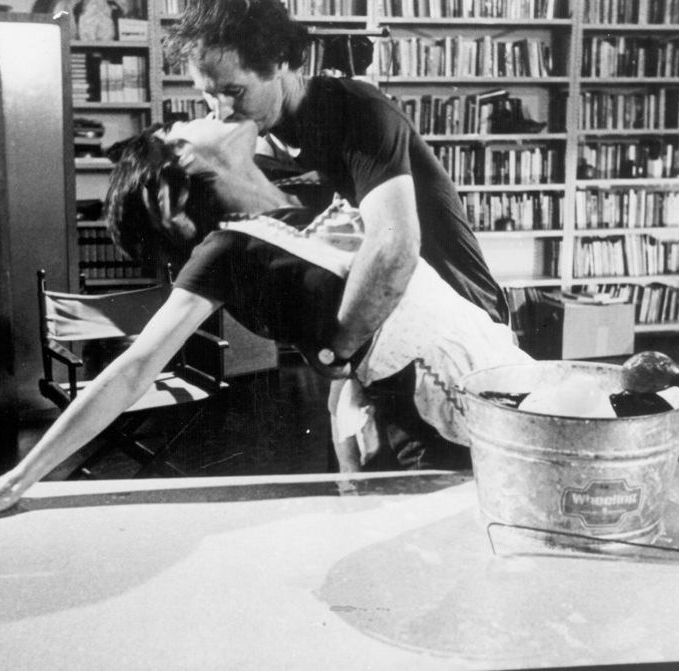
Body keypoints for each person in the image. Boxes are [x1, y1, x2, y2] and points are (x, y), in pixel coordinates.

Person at [0, 121, 529, 522]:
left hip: (489, 362)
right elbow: (134, 368)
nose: (205, 114)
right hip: (443, 395)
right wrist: (15, 481)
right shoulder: (226, 252)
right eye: (180, 128)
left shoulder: (295, 188)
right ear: (174, 188)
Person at [163, 0, 511, 469]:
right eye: (207, 95)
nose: (221, 110)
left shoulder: (359, 111)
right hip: (376, 328)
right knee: (355, 490)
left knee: (430, 499)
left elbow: (393, 248)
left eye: (234, 91)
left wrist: (337, 350)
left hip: (446, 329)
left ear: (283, 63)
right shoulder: (260, 140)